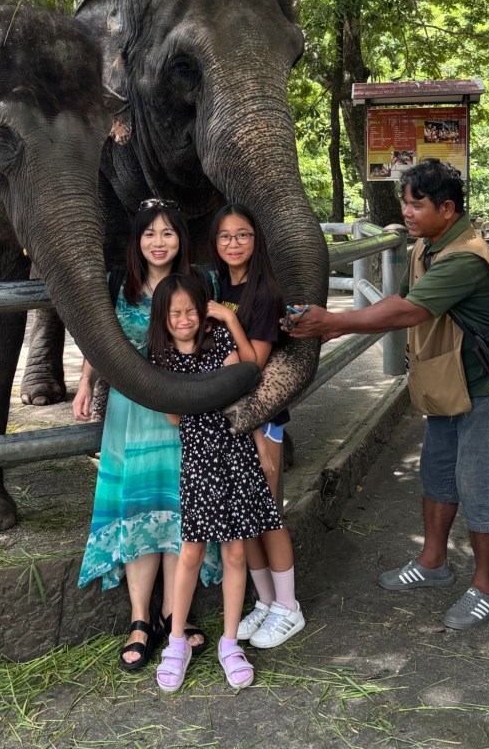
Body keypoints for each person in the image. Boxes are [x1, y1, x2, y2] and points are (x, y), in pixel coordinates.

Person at [287, 159, 489, 631]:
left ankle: (486, 586)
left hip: (483, 390)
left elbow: (406, 312)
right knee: (437, 475)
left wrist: (332, 321)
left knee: (481, 489)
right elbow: (392, 303)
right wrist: (330, 331)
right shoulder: (428, 246)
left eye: (415, 204)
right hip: (445, 385)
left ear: (447, 208)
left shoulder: (466, 256)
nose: (406, 211)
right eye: (404, 201)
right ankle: (432, 563)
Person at [73, 199, 215, 671]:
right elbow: (100, 338)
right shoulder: (119, 285)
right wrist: (86, 381)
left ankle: (176, 611)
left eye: (168, 233)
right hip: (132, 410)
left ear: (181, 239)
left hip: (184, 406)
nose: (159, 242)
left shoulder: (200, 283)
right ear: (137, 241)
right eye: (150, 233)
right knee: (138, 507)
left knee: (177, 508)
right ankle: (140, 618)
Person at [147, 274, 284, 692]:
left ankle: (229, 643)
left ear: (204, 312)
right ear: (163, 319)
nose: (184, 319)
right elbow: (174, 417)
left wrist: (229, 319)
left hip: (236, 455)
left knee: (236, 552)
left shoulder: (220, 344)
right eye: (175, 313)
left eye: (191, 310)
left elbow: (248, 370)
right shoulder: (162, 361)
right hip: (200, 464)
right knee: (190, 552)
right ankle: (175, 642)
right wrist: (201, 389)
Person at [205, 204, 305, 648]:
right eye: (225, 237)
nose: (233, 244)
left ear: (256, 239)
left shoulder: (264, 291)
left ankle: (289, 607)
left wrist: (227, 319)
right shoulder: (214, 284)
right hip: (223, 418)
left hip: (259, 417)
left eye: (242, 235)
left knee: (268, 514)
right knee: (246, 518)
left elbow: (255, 366)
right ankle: (265, 602)